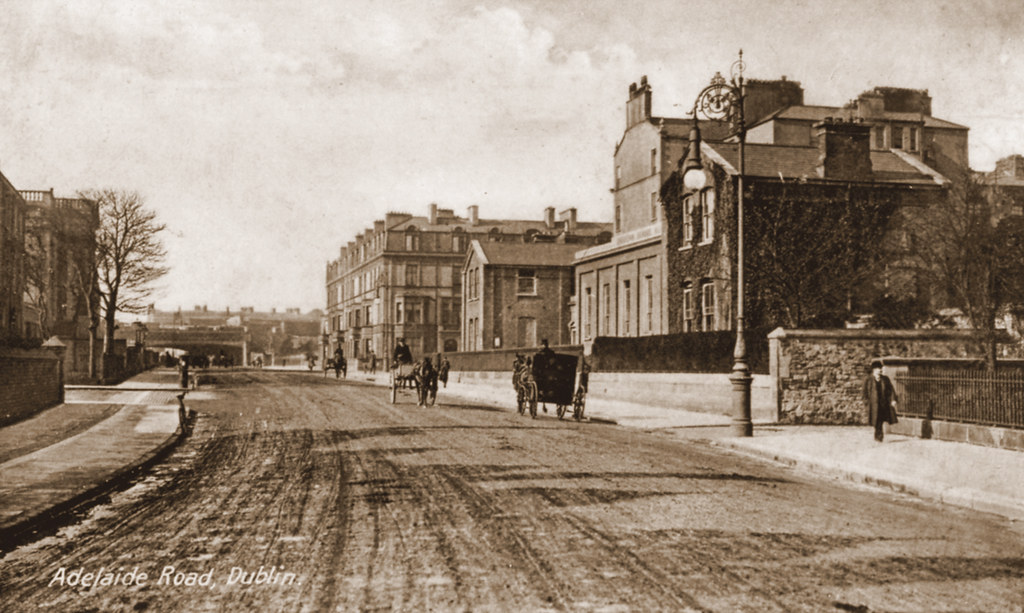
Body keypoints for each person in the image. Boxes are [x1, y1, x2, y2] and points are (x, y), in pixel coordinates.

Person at [863, 360, 898, 442]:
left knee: (881, 419)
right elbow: (864, 392)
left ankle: (878, 435)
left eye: (881, 368)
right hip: (873, 404)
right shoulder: (868, 379)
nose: (881, 370)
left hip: (883, 403)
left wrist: (893, 399)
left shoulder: (885, 379)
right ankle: (879, 435)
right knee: (876, 419)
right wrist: (866, 403)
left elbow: (891, 390)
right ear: (874, 369)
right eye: (879, 368)